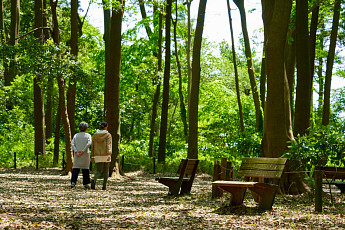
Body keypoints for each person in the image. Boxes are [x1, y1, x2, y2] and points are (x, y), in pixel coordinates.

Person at [91, 121, 112, 190]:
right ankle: (104, 186)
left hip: (97, 154)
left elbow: (92, 146)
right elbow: (109, 145)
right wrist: (109, 154)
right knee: (106, 170)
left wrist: (92, 155)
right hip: (106, 154)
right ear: (106, 127)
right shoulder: (108, 135)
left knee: (99, 170)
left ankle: (94, 179)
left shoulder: (95, 135)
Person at [71, 122, 92, 189]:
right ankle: (86, 183)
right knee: (85, 169)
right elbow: (89, 143)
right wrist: (83, 150)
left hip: (77, 154)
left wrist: (76, 151)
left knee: (75, 168)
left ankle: (73, 182)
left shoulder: (76, 135)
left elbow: (72, 144)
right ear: (86, 129)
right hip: (85, 154)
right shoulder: (88, 135)